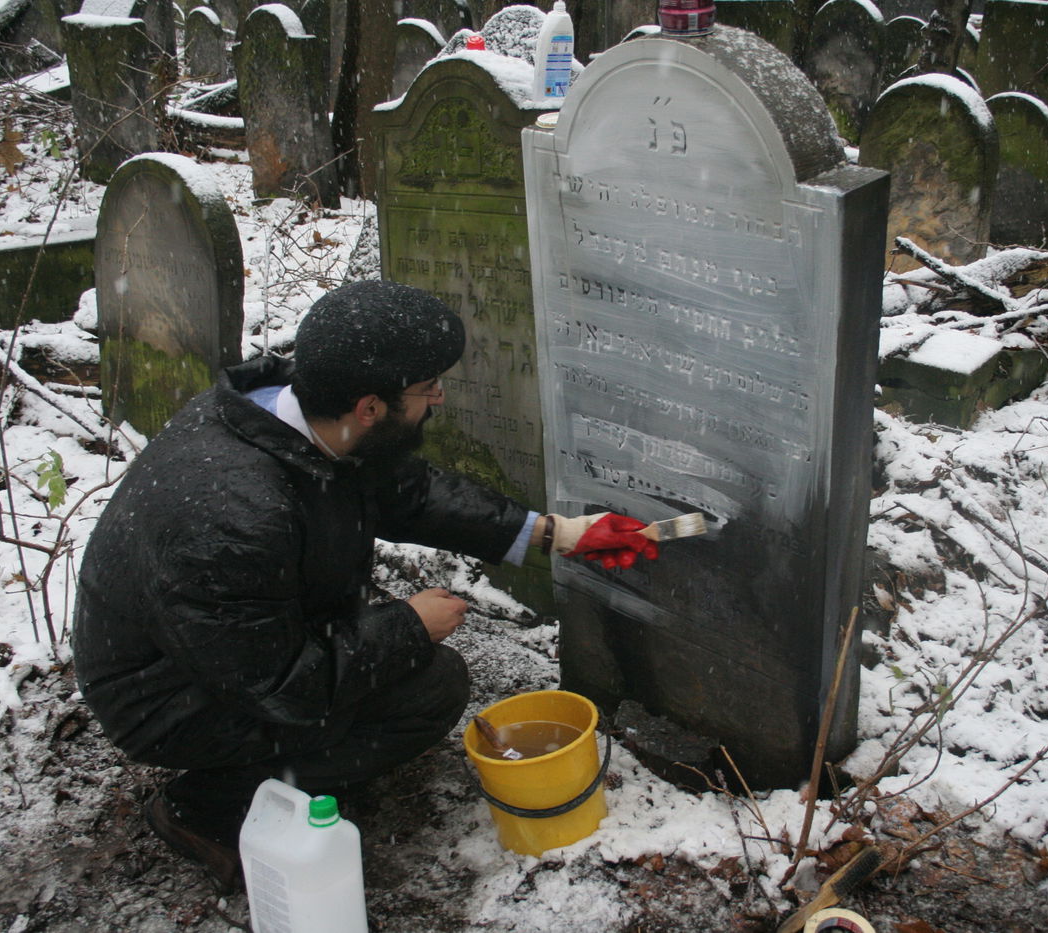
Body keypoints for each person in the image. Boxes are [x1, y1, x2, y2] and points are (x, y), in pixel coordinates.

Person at [72, 280, 658, 890]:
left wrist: (552, 533)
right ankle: (209, 807)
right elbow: (279, 684)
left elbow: (407, 491)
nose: (440, 397)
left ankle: (280, 772)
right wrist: (407, 626)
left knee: (413, 676)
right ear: (370, 408)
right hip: (166, 694)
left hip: (231, 643)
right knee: (428, 692)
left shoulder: (302, 420)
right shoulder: (234, 516)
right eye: (427, 388)